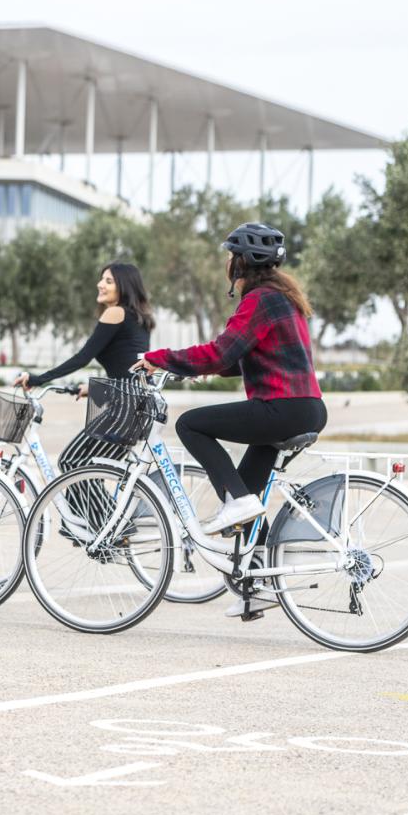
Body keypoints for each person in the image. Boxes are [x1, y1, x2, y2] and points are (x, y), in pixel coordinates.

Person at [133, 222, 327, 612]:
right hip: (303, 406)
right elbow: (251, 356)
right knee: (247, 495)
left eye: (229, 255)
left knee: (190, 424)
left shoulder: (260, 301)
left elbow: (223, 350)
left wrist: (159, 358)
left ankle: (237, 503)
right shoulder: (283, 297)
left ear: (241, 261)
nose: (227, 261)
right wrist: (208, 369)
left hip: (282, 408)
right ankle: (256, 589)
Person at [13, 262, 153, 474]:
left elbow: (82, 358)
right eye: (101, 279)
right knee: (89, 470)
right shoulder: (138, 317)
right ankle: (107, 509)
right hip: (139, 404)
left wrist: (37, 379)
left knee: (72, 462)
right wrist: (97, 388)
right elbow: (129, 368)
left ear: (124, 286)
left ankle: (103, 508)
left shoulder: (116, 313)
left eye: (108, 281)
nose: (100, 285)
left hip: (125, 406)